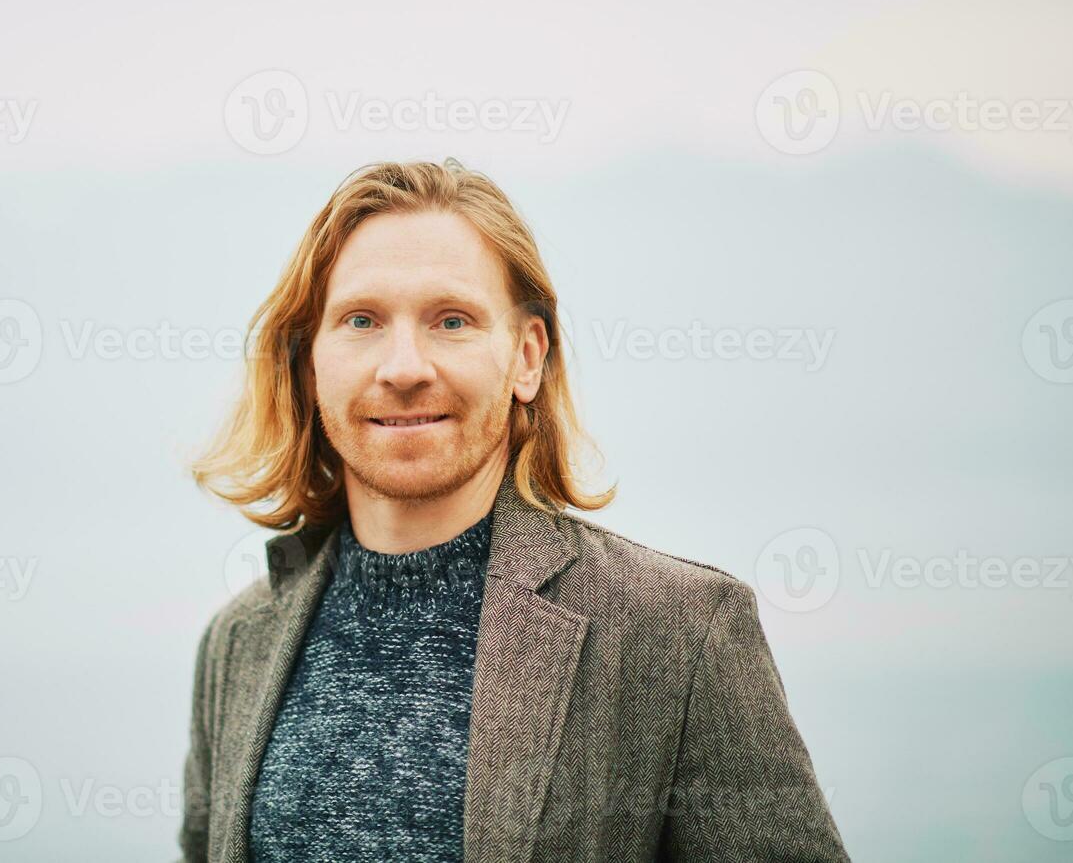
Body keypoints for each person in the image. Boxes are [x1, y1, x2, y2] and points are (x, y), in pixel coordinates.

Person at [178, 159, 850, 862]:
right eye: (360, 319)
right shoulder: (239, 642)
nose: (403, 367)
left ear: (526, 356)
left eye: (451, 320)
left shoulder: (680, 632)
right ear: (309, 360)